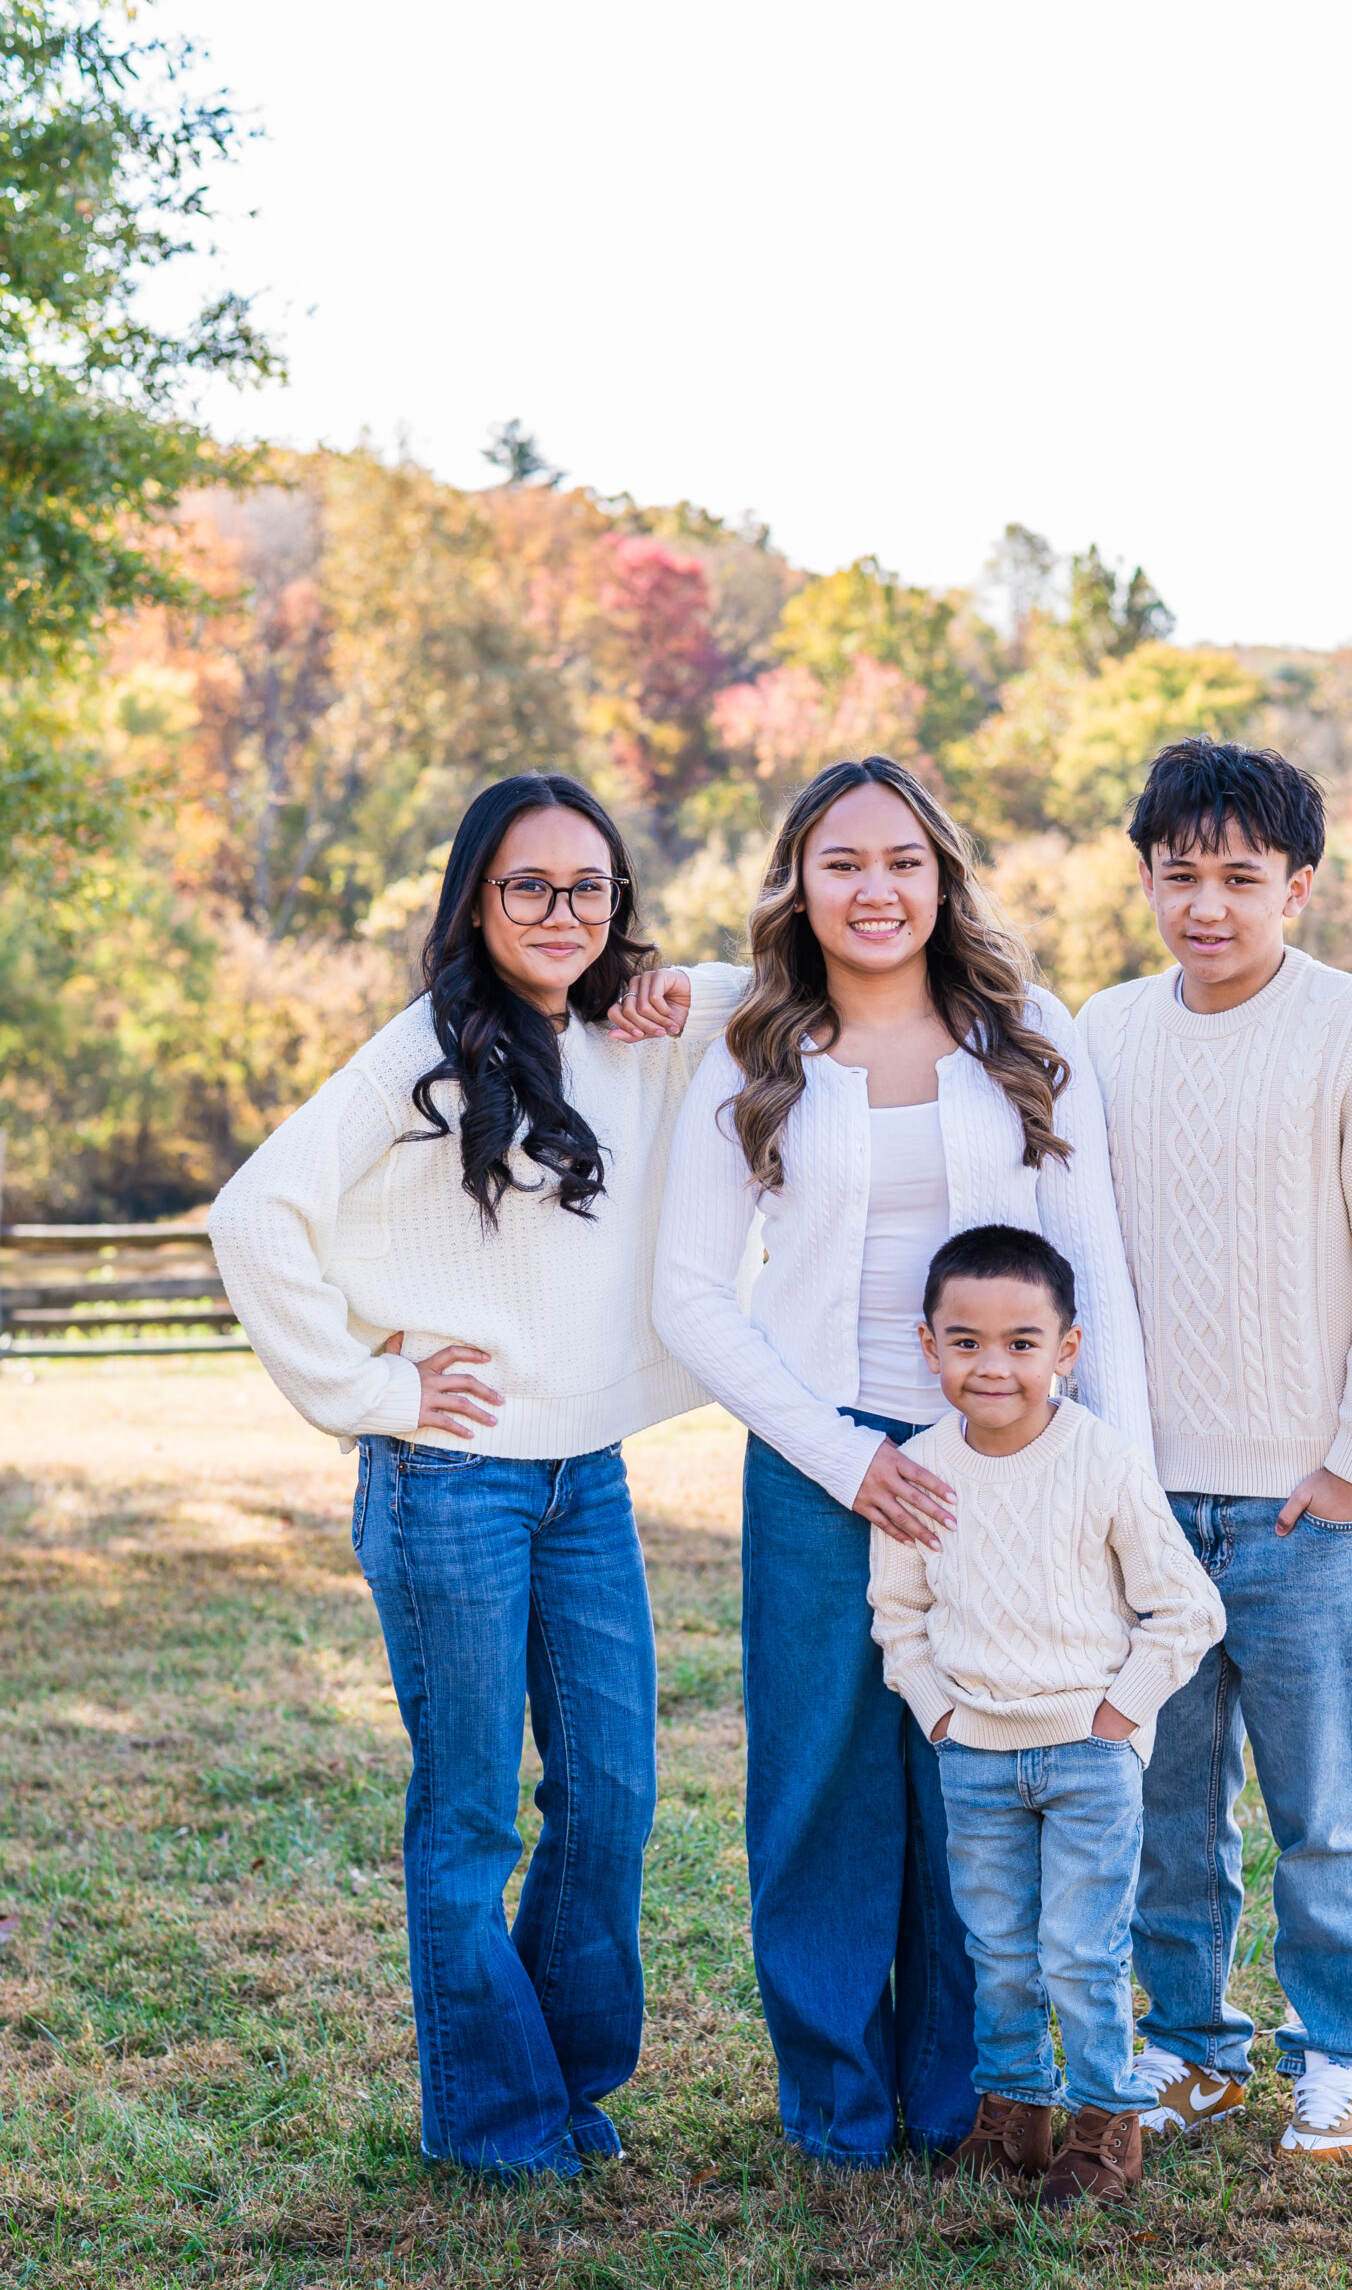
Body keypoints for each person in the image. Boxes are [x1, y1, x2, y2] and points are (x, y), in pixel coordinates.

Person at [209, 773, 745, 2180]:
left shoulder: (639, 1036)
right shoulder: (420, 1055)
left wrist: (673, 981)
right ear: (476, 900)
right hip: (448, 1482)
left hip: (586, 1479)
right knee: (469, 1810)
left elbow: (804, 995)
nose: (562, 912)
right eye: (529, 887)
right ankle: (497, 2126)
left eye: (590, 888)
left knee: (614, 1789)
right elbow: (252, 1214)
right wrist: (374, 1391)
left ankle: (564, 2087)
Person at [640, 754, 1153, 2169]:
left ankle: (959, 2092)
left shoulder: (1025, 1032)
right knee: (818, 1781)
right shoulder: (756, 1049)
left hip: (1007, 1452)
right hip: (818, 1463)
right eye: (843, 862)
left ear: (944, 878)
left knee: (970, 1776)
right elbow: (689, 1290)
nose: (876, 890)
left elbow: (1089, 1260)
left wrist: (1118, 1490)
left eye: (904, 862)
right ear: (798, 884)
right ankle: (836, 2103)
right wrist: (843, 1460)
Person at [1075, 739, 1352, 2158]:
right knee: (1168, 1811)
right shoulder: (1104, 1034)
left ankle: (1345, 2055)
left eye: (1241, 878)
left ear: (1296, 886)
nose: (1208, 906)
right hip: (1145, 1509)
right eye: (1180, 877)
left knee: (1320, 1813)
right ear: (1148, 883)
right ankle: (1188, 2048)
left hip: (1306, 1504)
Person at [868, 1225, 1225, 2207]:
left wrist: (1120, 1715)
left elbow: (1187, 1606)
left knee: (1081, 1951)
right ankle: (1014, 2116)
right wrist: (940, 1714)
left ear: (1067, 1350)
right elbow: (897, 1614)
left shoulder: (1100, 1460)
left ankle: (1106, 2126)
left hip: (1087, 1758)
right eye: (967, 1341)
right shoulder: (919, 1467)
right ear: (929, 1345)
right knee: (998, 1950)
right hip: (974, 1757)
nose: (994, 1365)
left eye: (1023, 1342)